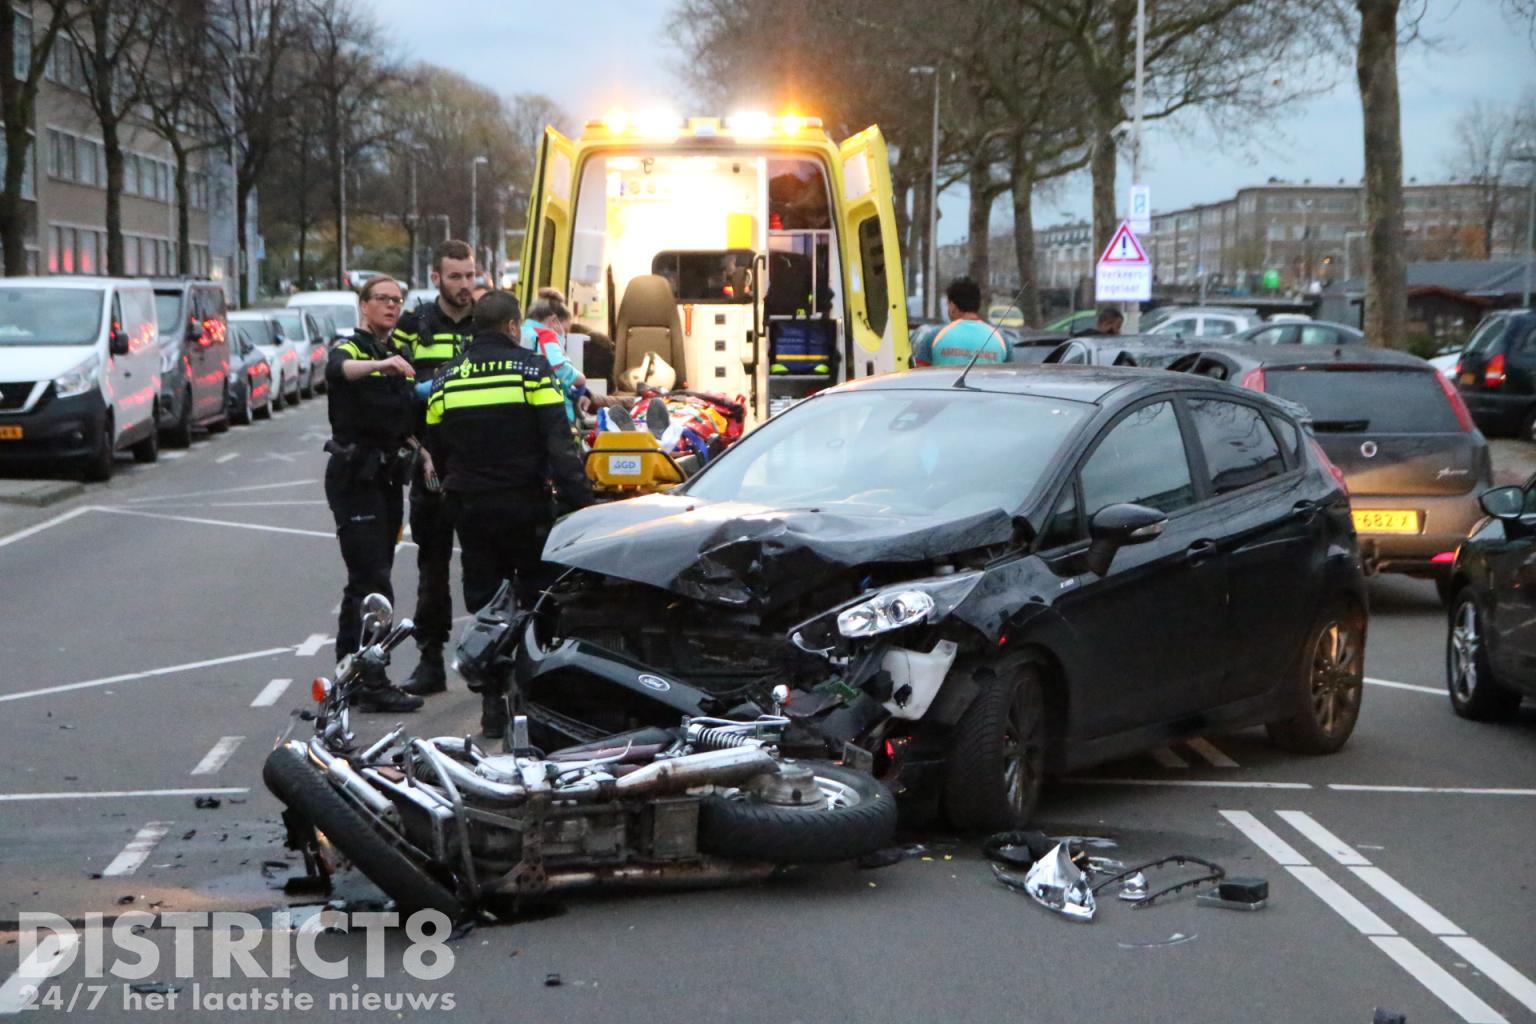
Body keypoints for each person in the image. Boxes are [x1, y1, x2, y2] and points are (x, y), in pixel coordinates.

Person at [424, 290, 597, 737]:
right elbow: (558, 444)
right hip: (526, 505)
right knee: (537, 597)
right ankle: (531, 700)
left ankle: (491, 702)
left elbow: (438, 447)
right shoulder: (533, 370)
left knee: (485, 603)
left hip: (472, 508)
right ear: (513, 327)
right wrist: (584, 504)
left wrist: (455, 490)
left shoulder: (447, 378)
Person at [323, 275, 423, 713]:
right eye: (382, 299)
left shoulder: (392, 351)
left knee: (369, 582)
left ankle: (354, 672)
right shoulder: (355, 347)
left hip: (385, 477)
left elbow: (400, 418)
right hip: (355, 477)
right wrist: (384, 366)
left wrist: (422, 451)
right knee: (371, 583)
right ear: (364, 305)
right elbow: (338, 370)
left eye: (397, 300)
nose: (391, 306)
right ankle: (370, 678)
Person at [393, 240, 478, 697]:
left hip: (483, 465)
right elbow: (396, 395)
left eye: (470, 275)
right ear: (437, 279)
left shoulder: (489, 321)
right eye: (456, 277)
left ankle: (492, 663)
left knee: (488, 566)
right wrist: (416, 446)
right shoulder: (413, 327)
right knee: (432, 566)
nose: (465, 285)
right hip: (434, 464)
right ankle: (430, 659)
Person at [911, 277, 1012, 367]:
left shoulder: (934, 337)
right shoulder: (1001, 339)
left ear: (952, 307)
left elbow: (919, 378)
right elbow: (1008, 379)